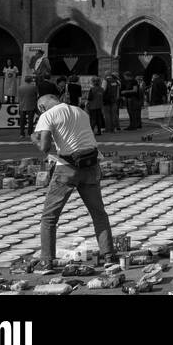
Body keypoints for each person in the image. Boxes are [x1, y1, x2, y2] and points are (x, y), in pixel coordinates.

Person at [32, 93, 113, 268]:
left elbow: (45, 147)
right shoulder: (80, 111)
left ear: (42, 107)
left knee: (49, 217)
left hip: (67, 168)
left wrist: (34, 140)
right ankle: (108, 255)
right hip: (91, 165)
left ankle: (46, 260)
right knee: (99, 214)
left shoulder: (48, 115)